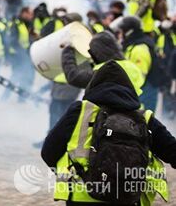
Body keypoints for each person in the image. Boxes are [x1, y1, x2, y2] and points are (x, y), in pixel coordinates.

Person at [41, 60, 176, 205]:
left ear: (93, 87)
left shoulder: (80, 111)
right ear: (129, 90)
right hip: (127, 197)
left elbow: (48, 151)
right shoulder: (144, 119)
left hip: (82, 198)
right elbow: (172, 151)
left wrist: (72, 172)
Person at [111, 16, 163, 111]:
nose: (119, 36)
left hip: (143, 92)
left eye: (121, 32)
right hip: (138, 92)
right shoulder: (133, 45)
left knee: (142, 122)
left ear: (128, 32)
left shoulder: (139, 49)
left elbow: (139, 77)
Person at [6, 6, 35, 100]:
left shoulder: (27, 24)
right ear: (24, 13)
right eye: (30, 14)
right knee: (16, 76)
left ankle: (22, 98)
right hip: (17, 55)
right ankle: (5, 97)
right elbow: (13, 41)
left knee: (26, 76)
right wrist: (22, 53)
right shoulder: (16, 24)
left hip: (25, 54)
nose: (32, 16)